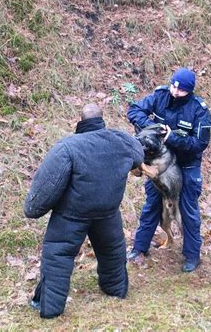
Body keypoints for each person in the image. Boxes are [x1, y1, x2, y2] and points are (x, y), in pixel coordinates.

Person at [24, 103, 144, 319]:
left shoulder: (68, 147)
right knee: (112, 253)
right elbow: (138, 154)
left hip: (71, 216)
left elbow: (48, 185)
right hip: (108, 212)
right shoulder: (121, 141)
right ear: (101, 120)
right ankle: (115, 289)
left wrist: (32, 208)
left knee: (57, 257)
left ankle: (50, 308)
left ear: (80, 122)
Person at [126, 68, 211, 272]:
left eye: (181, 90)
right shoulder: (160, 96)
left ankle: (192, 255)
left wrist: (171, 137)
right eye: (173, 85)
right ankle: (139, 248)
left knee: (187, 209)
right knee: (151, 205)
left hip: (185, 165)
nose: (175, 92)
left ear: (189, 91)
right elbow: (134, 110)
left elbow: (200, 143)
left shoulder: (199, 110)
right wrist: (153, 129)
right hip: (159, 163)